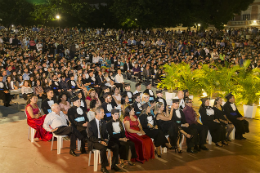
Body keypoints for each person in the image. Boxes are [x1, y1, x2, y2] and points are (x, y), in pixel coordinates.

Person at [87, 106, 122, 173]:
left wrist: (105, 139)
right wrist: (100, 141)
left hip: (102, 140)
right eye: (102, 113)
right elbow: (91, 137)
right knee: (103, 148)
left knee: (115, 146)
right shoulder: (91, 123)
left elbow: (105, 133)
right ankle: (103, 167)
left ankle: (114, 164)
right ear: (97, 113)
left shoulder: (103, 122)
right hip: (94, 141)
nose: (104, 114)